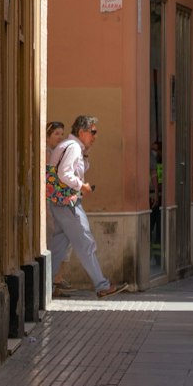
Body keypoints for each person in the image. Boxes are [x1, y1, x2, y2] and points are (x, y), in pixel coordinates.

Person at [47, 115, 127, 299]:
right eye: (93, 132)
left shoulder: (70, 146)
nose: (95, 136)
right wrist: (81, 186)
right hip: (69, 203)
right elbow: (64, 173)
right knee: (85, 242)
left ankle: (43, 286)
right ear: (82, 132)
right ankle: (102, 285)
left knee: (58, 247)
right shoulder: (73, 147)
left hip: (58, 202)